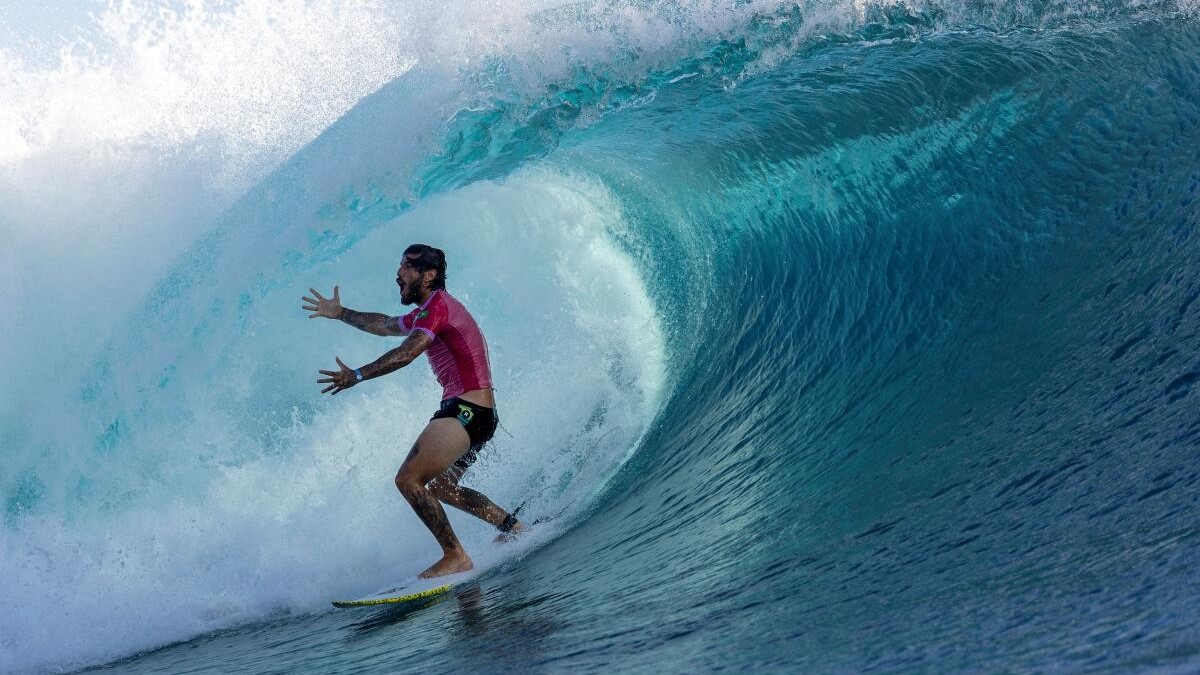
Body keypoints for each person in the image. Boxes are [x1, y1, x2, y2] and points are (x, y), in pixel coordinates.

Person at [302, 244, 524, 578]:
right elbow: (384, 324)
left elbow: (407, 353)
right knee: (444, 489)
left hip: (467, 410)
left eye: (407, 266)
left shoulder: (439, 308)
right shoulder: (426, 312)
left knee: (409, 479)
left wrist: (357, 375)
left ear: (429, 274)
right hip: (475, 413)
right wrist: (342, 313)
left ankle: (456, 556)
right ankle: (513, 528)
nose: (398, 273)